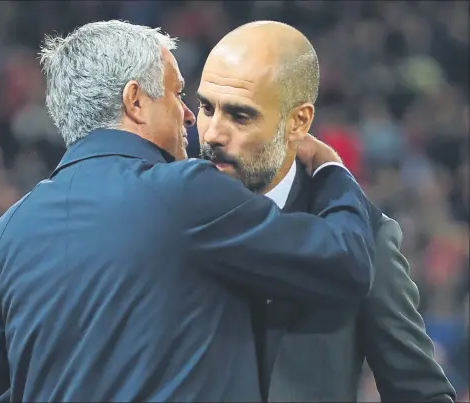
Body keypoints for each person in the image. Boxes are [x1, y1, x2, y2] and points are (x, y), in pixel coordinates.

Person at [0, 20, 380, 402]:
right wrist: (330, 169)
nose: (188, 115)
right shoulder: (186, 194)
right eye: (178, 92)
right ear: (135, 101)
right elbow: (345, 261)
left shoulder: (10, 232)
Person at [195, 21, 456, 402]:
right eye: (206, 107)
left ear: (298, 121)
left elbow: (421, 393)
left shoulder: (367, 237)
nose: (213, 133)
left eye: (240, 115)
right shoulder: (171, 210)